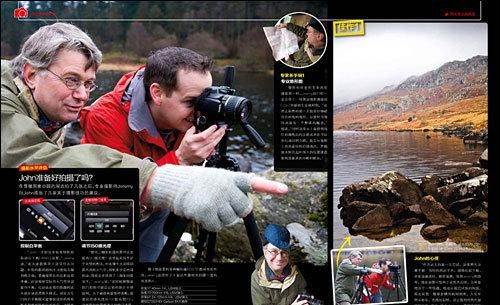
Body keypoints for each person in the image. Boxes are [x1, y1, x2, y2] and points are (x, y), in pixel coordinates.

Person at [1, 22, 288, 259]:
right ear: (31, 75)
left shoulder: (47, 108)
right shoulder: (100, 115)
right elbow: (29, 161)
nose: (82, 95)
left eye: (89, 84)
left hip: (153, 217)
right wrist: (177, 166)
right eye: (71, 80)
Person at [78, 47, 226, 261]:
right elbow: (119, 194)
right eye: (192, 102)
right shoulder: (104, 118)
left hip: (158, 211)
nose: (200, 111)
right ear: (157, 93)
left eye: (205, 100)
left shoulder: (185, 117)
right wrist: (181, 159)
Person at [251, 224, 308, 305]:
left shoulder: (293, 270)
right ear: (265, 251)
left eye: (284, 252)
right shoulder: (257, 279)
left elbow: (302, 291)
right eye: (274, 251)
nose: (279, 258)